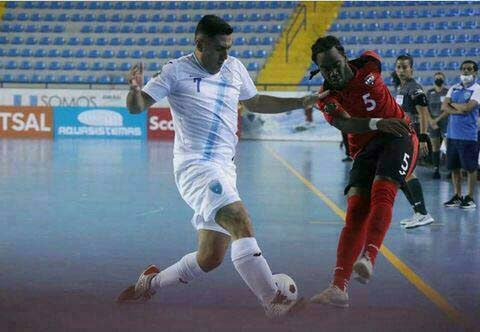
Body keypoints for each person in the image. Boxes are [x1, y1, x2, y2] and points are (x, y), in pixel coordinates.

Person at [117, 15, 323, 319]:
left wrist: (302, 101)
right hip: (195, 167)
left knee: (210, 257)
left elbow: (255, 102)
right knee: (240, 220)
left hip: (225, 168)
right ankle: (274, 301)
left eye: (228, 48)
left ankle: (150, 282)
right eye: (218, 49)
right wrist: (135, 88)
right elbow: (136, 107)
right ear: (200, 44)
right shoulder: (176, 71)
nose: (225, 55)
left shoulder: (234, 67)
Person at [307, 36, 418, 308]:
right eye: (325, 69)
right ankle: (338, 287)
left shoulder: (370, 63)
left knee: (383, 188)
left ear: (344, 57)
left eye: (335, 64)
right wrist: (379, 122)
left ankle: (368, 256)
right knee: (356, 210)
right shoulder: (328, 97)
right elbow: (346, 124)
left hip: (399, 135)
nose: (332, 72)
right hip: (367, 146)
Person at [393, 55, 435, 229]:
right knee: (401, 174)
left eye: (405, 67)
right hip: (403, 135)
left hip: (413, 135)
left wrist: (424, 137)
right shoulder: (402, 88)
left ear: (411, 69)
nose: (401, 70)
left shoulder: (414, 88)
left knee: (407, 172)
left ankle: (423, 213)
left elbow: (423, 113)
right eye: (399, 67)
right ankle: (418, 212)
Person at [434, 60, 479, 209]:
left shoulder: (477, 89)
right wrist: (459, 108)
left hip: (468, 136)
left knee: (470, 168)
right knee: (454, 167)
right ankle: (457, 195)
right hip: (452, 135)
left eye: (469, 69)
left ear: (475, 72)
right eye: (463, 69)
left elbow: (467, 108)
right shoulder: (453, 88)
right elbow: (443, 107)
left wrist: (453, 105)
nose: (465, 72)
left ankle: (470, 197)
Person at [427, 72, 449, 179]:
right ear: (434, 79)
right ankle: (436, 169)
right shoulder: (430, 92)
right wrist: (431, 121)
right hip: (432, 122)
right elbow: (425, 108)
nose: (438, 79)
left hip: (445, 121)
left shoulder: (447, 92)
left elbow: (449, 108)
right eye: (437, 78)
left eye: (440, 78)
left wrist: (437, 119)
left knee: (447, 146)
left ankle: (450, 170)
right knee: (435, 146)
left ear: (444, 80)